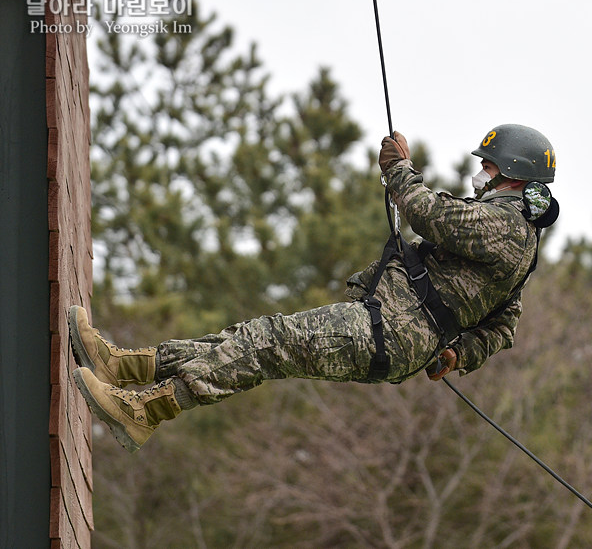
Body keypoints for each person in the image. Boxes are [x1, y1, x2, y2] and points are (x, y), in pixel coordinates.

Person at [71, 124, 559, 453]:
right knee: (250, 337)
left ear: (513, 176)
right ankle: (127, 367)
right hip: (387, 326)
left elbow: (430, 215)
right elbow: (503, 325)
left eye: (490, 167)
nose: (482, 173)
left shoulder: (507, 226)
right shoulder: (518, 236)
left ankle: (146, 411)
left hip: (390, 331)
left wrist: (398, 172)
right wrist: (460, 355)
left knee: (266, 343)